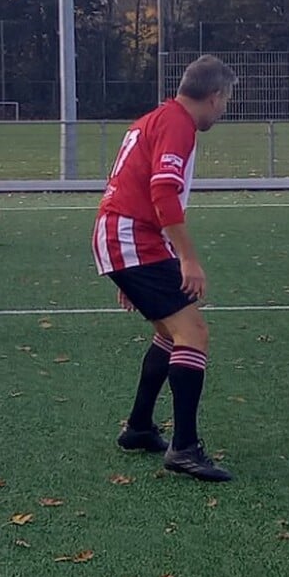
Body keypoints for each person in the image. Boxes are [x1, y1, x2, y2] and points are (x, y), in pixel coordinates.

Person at [94, 55, 237, 483]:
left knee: (168, 333)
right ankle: (185, 448)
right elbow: (162, 193)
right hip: (131, 237)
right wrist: (188, 259)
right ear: (214, 97)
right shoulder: (178, 125)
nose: (225, 109)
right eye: (226, 101)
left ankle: (139, 427)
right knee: (192, 333)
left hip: (127, 238)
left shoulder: (154, 118)